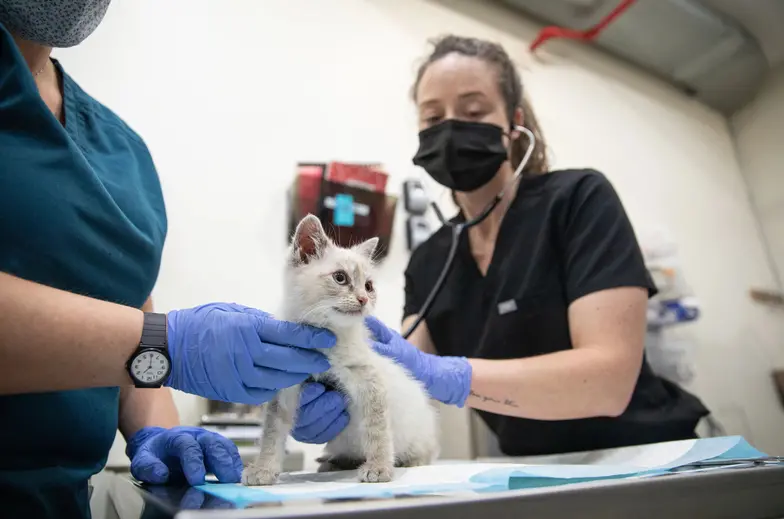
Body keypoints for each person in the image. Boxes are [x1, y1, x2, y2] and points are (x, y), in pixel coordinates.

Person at [292, 34, 711, 455]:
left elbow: (608, 382)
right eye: (432, 117)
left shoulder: (578, 200)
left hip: (647, 453)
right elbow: (400, 371)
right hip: (532, 470)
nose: (450, 128)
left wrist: (452, 375)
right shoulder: (429, 259)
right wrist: (326, 382)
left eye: (473, 111)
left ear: (513, 125)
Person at [0, 3, 335, 518]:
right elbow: (144, 338)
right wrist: (170, 343)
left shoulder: (121, 152)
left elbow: (129, 330)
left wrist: (158, 430)